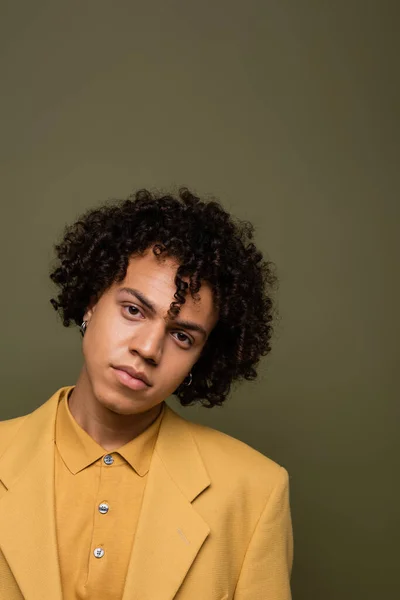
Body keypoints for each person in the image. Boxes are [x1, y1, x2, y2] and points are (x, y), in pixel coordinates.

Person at [0, 187, 293, 600]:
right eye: (134, 310)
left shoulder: (255, 491)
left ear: (203, 356)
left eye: (182, 335)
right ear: (90, 302)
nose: (149, 348)